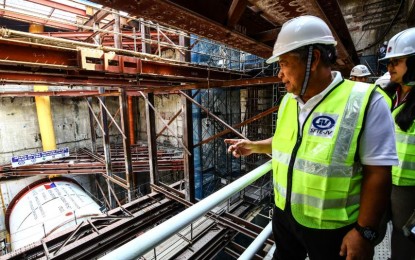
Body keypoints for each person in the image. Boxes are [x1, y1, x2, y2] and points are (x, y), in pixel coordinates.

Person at [225, 15, 398, 260]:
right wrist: (253, 146)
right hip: (285, 215)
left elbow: (378, 172)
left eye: (284, 63)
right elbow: (289, 143)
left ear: (313, 60)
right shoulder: (289, 101)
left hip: (332, 228)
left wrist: (363, 232)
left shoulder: (366, 101)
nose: (279, 74)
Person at [378, 27, 415, 260]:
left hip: (409, 188)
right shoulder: (388, 95)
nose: (390, 67)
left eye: (396, 61)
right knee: (370, 229)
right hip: (383, 177)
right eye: (388, 61)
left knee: (403, 243)